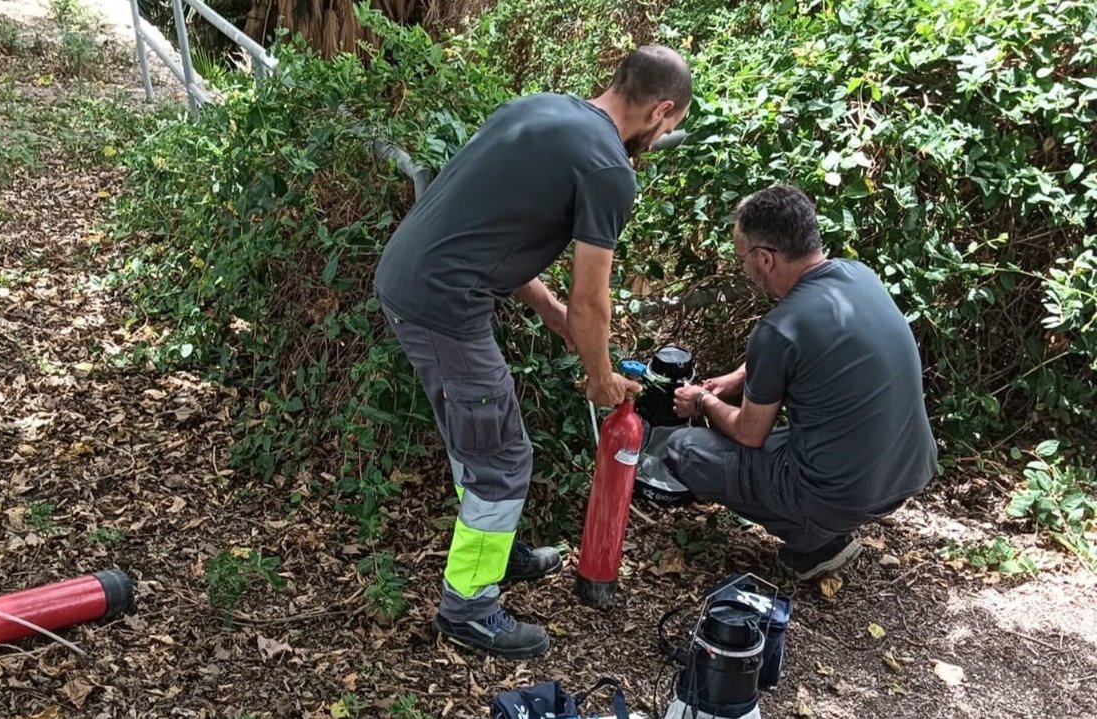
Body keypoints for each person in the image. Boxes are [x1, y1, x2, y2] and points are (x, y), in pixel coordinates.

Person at [373, 46, 692, 659]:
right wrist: (600, 377)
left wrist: (546, 308)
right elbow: (592, 297)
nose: (664, 136)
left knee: (480, 438)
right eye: (670, 127)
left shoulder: (539, 109)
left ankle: (494, 550)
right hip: (443, 304)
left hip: (414, 279)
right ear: (661, 110)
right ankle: (469, 607)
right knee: (500, 456)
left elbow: (496, 224)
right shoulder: (608, 169)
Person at [666, 184, 938, 581]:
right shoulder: (857, 275)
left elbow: (748, 433)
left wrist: (703, 401)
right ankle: (830, 519)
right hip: (909, 471)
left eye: (743, 259)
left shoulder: (777, 329)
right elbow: (806, 347)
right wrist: (741, 377)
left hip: (845, 493)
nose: (745, 269)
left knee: (684, 449)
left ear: (765, 259)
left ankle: (818, 540)